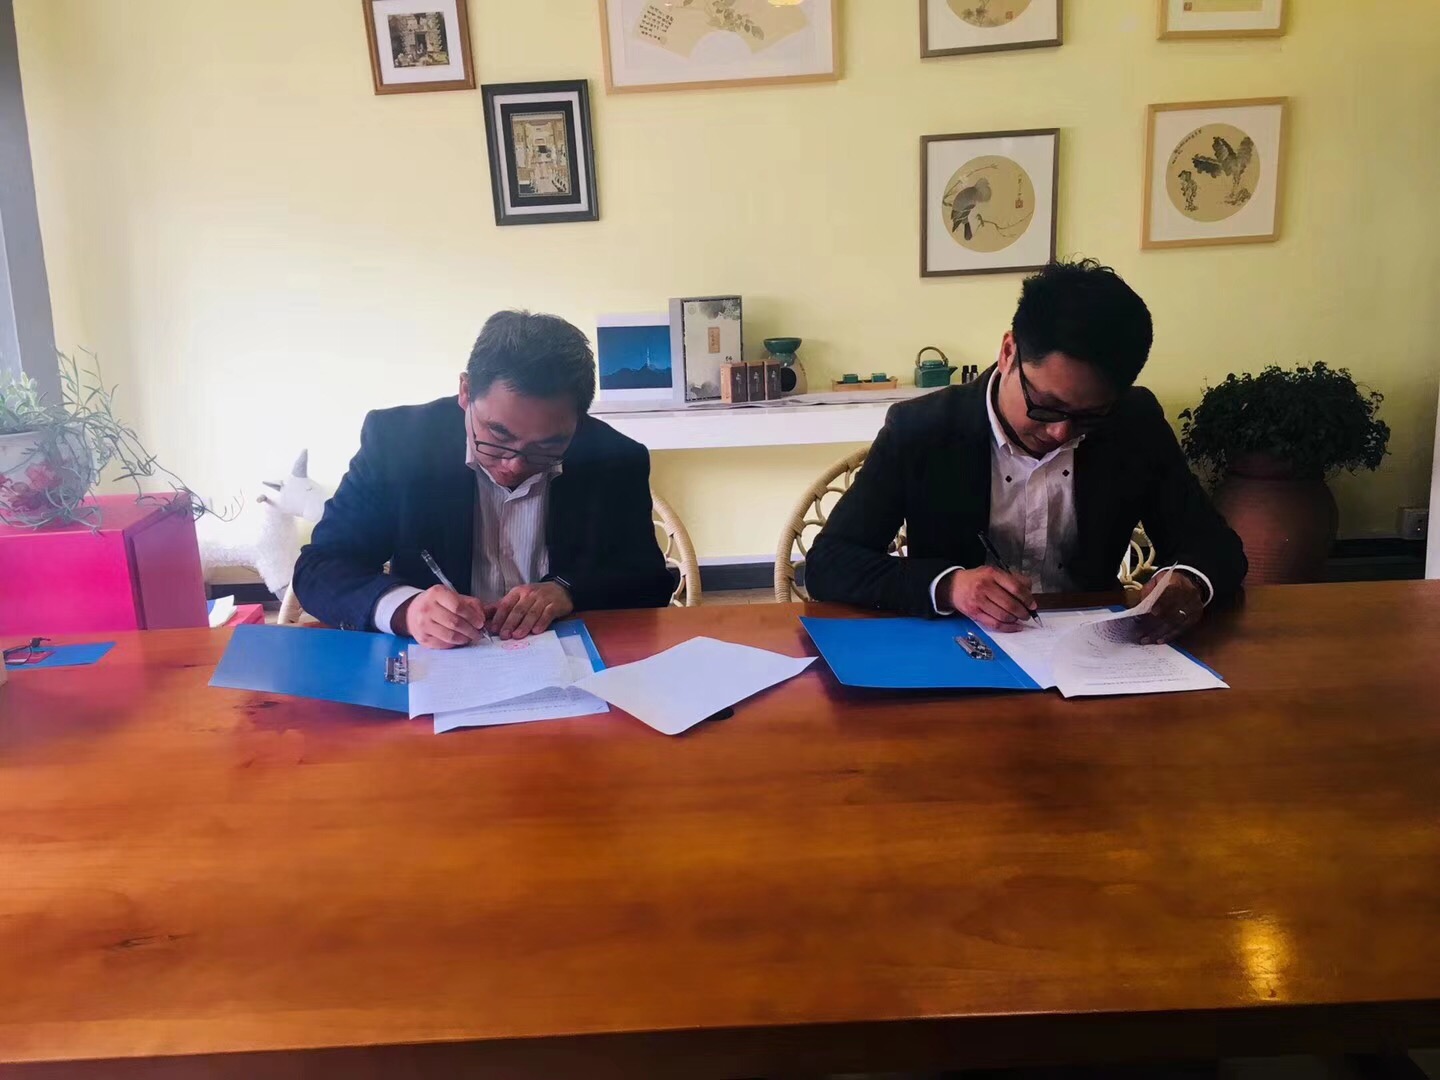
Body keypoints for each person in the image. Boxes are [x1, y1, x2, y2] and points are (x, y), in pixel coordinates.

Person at [806, 258, 1246, 644]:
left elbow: (1215, 546)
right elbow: (830, 563)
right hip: (960, 650)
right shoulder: (922, 430)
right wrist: (949, 586)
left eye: (1089, 416)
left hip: (1095, 655)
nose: (1060, 432)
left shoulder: (1132, 422)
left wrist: (1188, 580)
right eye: (1045, 405)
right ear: (1008, 352)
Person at [293, 310, 674, 648]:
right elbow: (320, 568)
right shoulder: (399, 443)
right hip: (434, 661)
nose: (514, 464)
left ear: (579, 419)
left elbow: (648, 580)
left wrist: (568, 591)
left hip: (569, 659)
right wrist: (405, 608)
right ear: (465, 392)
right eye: (497, 435)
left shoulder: (614, 457)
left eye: (547, 446)